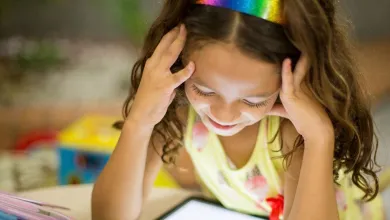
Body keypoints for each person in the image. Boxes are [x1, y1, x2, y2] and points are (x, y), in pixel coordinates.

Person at [91, 0, 385, 219]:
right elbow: (109, 217)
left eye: (254, 100)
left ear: (296, 80)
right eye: (204, 90)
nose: (224, 115)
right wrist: (139, 120)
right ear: (177, 63)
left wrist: (320, 136)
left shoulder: (292, 134)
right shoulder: (180, 114)